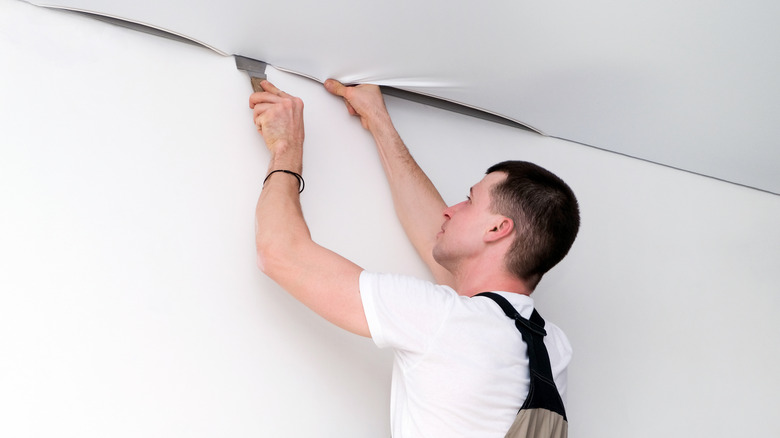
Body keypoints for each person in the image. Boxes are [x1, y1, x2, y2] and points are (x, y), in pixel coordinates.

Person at [250, 79, 580, 437]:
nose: (450, 210)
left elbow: (280, 253)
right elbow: (437, 241)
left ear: (497, 229)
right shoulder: (552, 348)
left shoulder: (444, 320)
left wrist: (287, 146)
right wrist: (378, 120)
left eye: (469, 201)